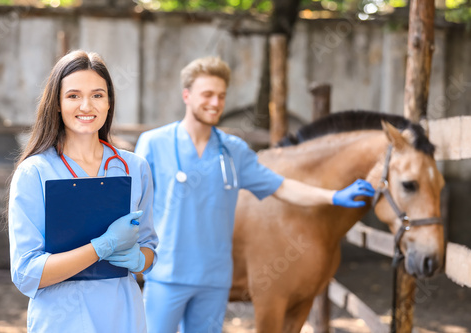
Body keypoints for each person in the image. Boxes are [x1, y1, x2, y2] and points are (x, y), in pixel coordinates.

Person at [135, 56, 374, 333]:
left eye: (221, 96)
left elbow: (282, 187)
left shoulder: (233, 150)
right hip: (167, 275)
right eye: (208, 95)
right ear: (186, 95)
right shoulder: (153, 143)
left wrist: (333, 196)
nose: (215, 103)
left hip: (214, 281)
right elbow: (132, 201)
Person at [8, 50, 158, 332]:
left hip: (123, 316)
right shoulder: (34, 173)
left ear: (109, 102)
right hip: (60, 319)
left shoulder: (135, 168)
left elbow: (149, 250)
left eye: (98, 95)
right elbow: (26, 273)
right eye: (74, 95)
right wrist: (102, 247)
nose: (86, 106)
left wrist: (139, 258)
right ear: (57, 103)